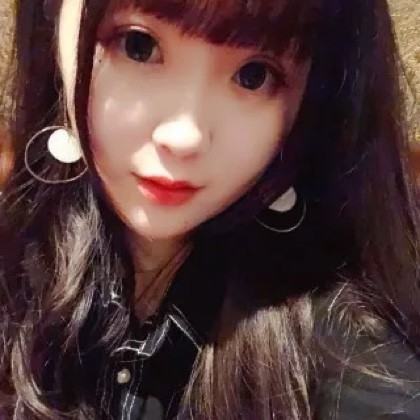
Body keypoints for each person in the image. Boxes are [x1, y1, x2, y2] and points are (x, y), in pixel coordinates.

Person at [1, 0, 420, 418]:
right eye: (138, 46)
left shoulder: (345, 351)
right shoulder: (14, 263)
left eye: (254, 76)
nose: (185, 136)